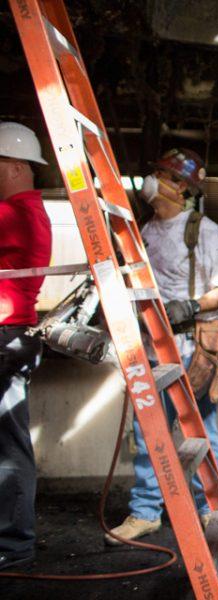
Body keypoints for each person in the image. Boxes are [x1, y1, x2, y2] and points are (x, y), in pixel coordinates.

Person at [106, 149, 218, 544]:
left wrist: (192, 305)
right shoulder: (145, 232)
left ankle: (209, 508)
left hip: (191, 350)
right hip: (151, 347)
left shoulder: (205, 231)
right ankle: (146, 511)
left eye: (162, 173)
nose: (154, 179)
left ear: (182, 186)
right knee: (148, 431)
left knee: (200, 432)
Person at [0, 122, 51, 571]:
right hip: (13, 336)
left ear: (16, 166)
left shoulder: (14, 212)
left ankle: (13, 543)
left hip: (6, 335)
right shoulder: (25, 210)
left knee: (9, 445)